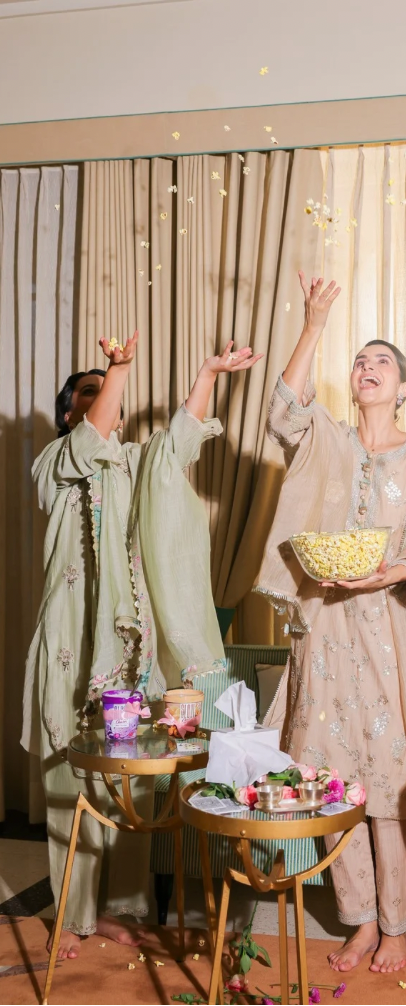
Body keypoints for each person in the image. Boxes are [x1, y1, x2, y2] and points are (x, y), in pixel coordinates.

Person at [21, 333, 263, 961]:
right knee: (70, 776)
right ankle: (73, 914)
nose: (102, 403)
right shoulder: (56, 463)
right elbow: (89, 442)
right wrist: (118, 367)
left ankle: (122, 906)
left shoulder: (137, 463)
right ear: (69, 414)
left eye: (109, 395)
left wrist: (208, 371)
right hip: (73, 646)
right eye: (87, 396)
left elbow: (179, 440)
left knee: (132, 776)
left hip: (131, 647)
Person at [255, 274, 406, 974]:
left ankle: (399, 925)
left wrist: (396, 569)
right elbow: (282, 411)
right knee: (333, 779)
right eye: (360, 360)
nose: (367, 368)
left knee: (392, 781)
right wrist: (313, 323)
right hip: (327, 631)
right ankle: (358, 920)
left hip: (399, 634)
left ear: (402, 387)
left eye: (382, 362)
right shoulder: (326, 441)